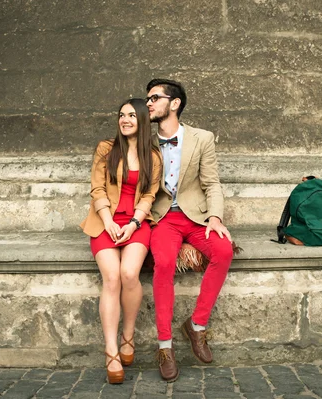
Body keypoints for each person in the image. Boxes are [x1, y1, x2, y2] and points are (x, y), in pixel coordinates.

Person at [145, 79, 234, 382]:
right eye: (148, 99)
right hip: (162, 219)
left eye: (155, 98)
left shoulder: (202, 138)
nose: (149, 103)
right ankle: (165, 346)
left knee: (223, 251)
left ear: (175, 103)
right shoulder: (144, 140)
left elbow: (211, 183)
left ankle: (196, 326)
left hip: (196, 217)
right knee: (165, 264)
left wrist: (216, 217)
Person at [80, 98, 162, 384]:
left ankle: (128, 335)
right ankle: (111, 350)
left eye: (130, 115)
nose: (124, 120)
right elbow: (97, 187)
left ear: (142, 120)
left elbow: (150, 195)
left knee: (129, 273)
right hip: (105, 222)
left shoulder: (153, 156)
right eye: (121, 115)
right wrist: (109, 222)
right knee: (112, 277)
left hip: (137, 224)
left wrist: (134, 223)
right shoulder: (106, 149)